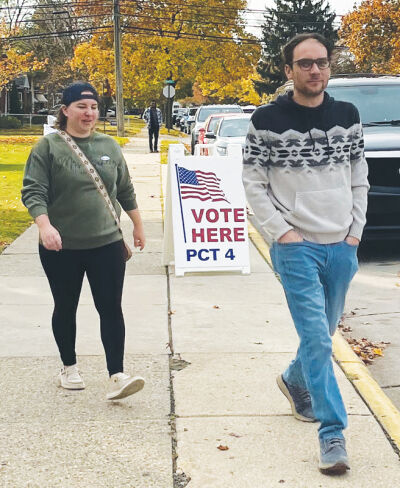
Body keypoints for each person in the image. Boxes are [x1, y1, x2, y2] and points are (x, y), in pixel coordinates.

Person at [243, 33, 369, 475]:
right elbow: (254, 184)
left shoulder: (347, 115)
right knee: (317, 337)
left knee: (325, 332)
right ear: (288, 70)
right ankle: (332, 434)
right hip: (297, 248)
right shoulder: (267, 119)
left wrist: (355, 233)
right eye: (305, 64)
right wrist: (282, 233)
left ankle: (295, 379)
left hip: (342, 246)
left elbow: (359, 177)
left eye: (321, 62)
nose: (315, 70)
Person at [22, 81, 146, 401]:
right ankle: (69, 366)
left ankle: (117, 374)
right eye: (81, 107)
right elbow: (33, 191)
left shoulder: (109, 145)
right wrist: (45, 226)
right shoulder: (48, 148)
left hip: (106, 243)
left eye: (93, 107)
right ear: (65, 110)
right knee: (66, 306)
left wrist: (137, 225)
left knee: (110, 307)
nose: (89, 113)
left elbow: (125, 189)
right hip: (61, 247)